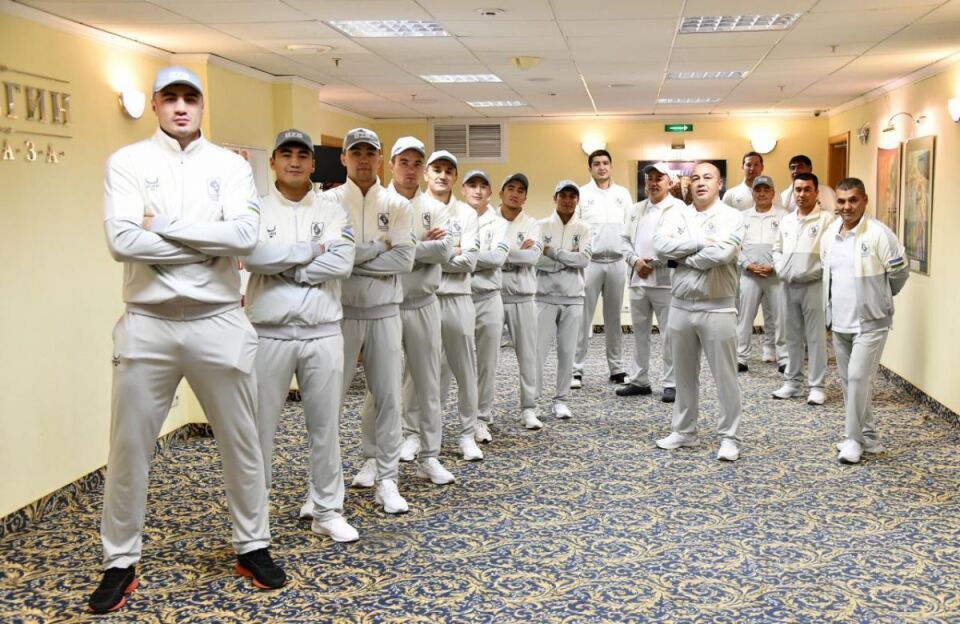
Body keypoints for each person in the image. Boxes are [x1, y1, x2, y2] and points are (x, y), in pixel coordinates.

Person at [93, 66, 284, 613]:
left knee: (242, 441)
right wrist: (206, 243)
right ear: (155, 105)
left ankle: (253, 545)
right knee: (129, 446)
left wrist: (159, 225)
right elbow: (121, 240)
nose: (181, 107)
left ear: (202, 106)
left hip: (217, 319)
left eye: (190, 98)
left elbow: (243, 236)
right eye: (170, 98)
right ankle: (119, 561)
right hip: (148, 322)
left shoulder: (230, 166)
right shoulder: (127, 162)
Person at [243, 129, 357, 542]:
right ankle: (254, 517)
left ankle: (326, 510)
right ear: (273, 161)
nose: (294, 161)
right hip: (267, 334)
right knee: (257, 429)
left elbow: (342, 263)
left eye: (302, 156)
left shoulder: (332, 210)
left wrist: (285, 268)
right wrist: (311, 252)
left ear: (312, 164)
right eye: (286, 154)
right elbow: (252, 256)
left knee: (325, 427)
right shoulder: (254, 208)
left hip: (322, 332)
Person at [330, 128, 414, 514]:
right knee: (327, 401)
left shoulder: (397, 205)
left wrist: (351, 259)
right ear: (344, 158)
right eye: (356, 152)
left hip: (385, 312)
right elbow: (329, 259)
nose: (363, 159)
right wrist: (378, 248)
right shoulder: (327, 202)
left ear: (380, 158)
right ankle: (324, 486)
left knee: (389, 397)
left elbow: (404, 260)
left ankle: (388, 479)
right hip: (339, 313)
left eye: (370, 152)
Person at [653, 162, 745, 462]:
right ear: (688, 184)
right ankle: (684, 431)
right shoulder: (677, 214)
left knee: (725, 377)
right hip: (680, 305)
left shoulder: (732, 216)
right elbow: (660, 247)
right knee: (683, 375)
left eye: (708, 177)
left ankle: (729, 437)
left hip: (718, 306)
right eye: (695, 178)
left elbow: (722, 254)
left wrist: (681, 259)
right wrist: (697, 244)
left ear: (720, 184)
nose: (701, 182)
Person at [381, 137, 456, 485]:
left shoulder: (435, 207)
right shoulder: (378, 202)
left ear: (422, 170)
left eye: (416, 164)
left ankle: (429, 456)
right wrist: (420, 244)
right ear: (391, 165)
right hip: (386, 303)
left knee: (428, 383)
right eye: (403, 162)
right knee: (382, 386)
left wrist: (399, 247)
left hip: (424, 302)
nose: (410, 170)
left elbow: (444, 251)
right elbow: (372, 250)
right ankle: (376, 458)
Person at [822, 178, 908, 464]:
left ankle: (852, 440)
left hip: (871, 322)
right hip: (839, 322)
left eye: (853, 200)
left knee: (859, 378)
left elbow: (899, 273)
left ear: (864, 200)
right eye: (841, 201)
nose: (847, 206)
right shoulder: (830, 234)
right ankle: (869, 436)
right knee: (850, 382)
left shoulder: (879, 234)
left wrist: (880, 297)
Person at [427, 151, 485, 462]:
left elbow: (470, 261)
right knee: (420, 373)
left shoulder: (466, 213)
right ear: (427, 173)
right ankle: (418, 436)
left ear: (455, 177)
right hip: (424, 299)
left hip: (459, 298)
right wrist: (452, 250)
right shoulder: (415, 207)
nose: (442, 175)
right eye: (436, 169)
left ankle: (466, 434)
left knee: (465, 369)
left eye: (448, 171)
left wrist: (434, 253)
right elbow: (409, 256)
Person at [617, 163, 686, 402]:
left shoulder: (680, 209)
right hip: (638, 279)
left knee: (670, 334)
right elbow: (624, 241)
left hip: (666, 281)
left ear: (670, 182)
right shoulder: (636, 209)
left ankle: (671, 383)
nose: (653, 183)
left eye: (659, 178)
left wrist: (655, 263)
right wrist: (635, 261)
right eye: (650, 178)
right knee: (639, 333)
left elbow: (683, 244)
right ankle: (639, 380)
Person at [772, 173, 836, 405]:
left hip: (814, 285)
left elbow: (832, 254)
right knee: (791, 336)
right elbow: (777, 249)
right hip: (788, 286)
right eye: (798, 190)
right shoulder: (787, 220)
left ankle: (817, 386)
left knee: (815, 338)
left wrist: (812, 271)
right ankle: (793, 383)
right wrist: (781, 269)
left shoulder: (827, 220)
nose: (801, 194)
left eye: (807, 189)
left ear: (816, 192)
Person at [572, 149, 632, 388]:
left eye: (605, 163)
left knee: (614, 318)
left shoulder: (622, 194)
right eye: (596, 163)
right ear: (590, 168)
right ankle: (576, 370)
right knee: (582, 317)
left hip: (617, 262)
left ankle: (616, 368)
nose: (601, 167)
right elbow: (576, 228)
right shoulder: (582, 194)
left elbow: (630, 226)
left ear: (611, 166)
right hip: (591, 263)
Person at [535, 180, 593, 419]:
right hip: (544, 297)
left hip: (573, 297)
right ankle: (532, 402)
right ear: (555, 198)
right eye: (563, 196)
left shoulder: (584, 229)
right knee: (537, 352)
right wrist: (566, 260)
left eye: (572, 196)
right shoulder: (540, 226)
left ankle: (561, 400)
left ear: (577, 200)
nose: (568, 200)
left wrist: (553, 253)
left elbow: (584, 260)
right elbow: (535, 259)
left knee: (567, 353)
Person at [460, 170, 509, 443]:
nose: (477, 191)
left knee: (487, 363)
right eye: (472, 185)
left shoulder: (499, 222)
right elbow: (443, 255)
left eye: (483, 186)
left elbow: (497, 258)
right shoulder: (454, 217)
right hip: (458, 296)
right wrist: (470, 256)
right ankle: (435, 422)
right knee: (451, 363)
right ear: (463, 189)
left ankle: (481, 419)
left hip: (489, 298)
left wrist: (464, 254)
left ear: (490, 193)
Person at [498, 173, 544, 430]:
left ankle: (529, 408)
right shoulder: (488, 220)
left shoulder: (533, 224)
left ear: (525, 197)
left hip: (524, 297)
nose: (515, 194)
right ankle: (482, 414)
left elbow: (532, 258)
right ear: (501, 193)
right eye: (510, 189)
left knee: (528, 356)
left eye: (520, 190)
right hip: (493, 296)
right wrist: (517, 252)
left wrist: (501, 253)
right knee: (486, 359)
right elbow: (483, 256)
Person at [736, 175, 788, 373]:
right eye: (758, 190)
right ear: (753, 193)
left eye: (766, 190)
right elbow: (735, 246)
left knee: (781, 318)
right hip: (749, 274)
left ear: (773, 193)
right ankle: (741, 358)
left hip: (775, 276)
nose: (762, 193)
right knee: (744, 318)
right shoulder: (742, 217)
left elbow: (788, 246)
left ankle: (784, 358)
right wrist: (747, 265)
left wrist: (774, 265)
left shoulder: (784, 216)